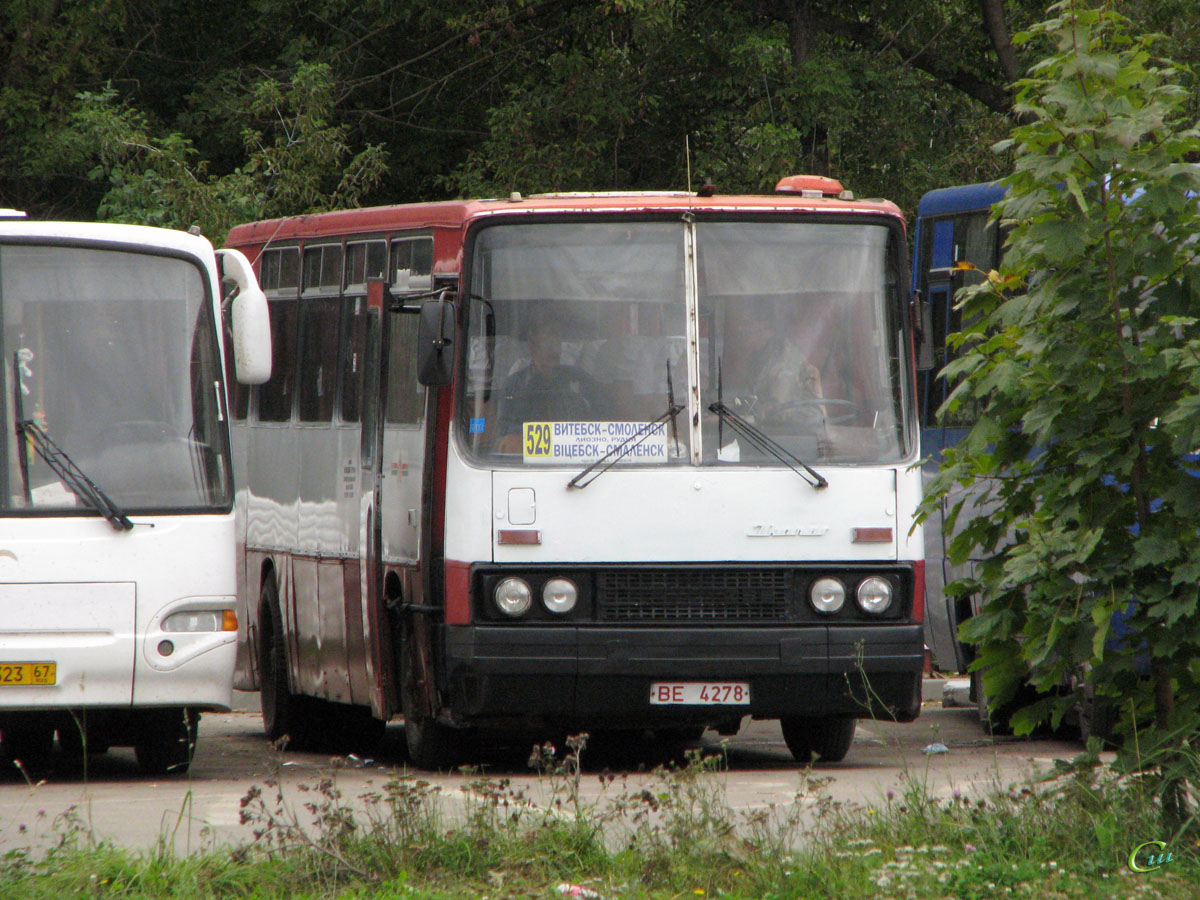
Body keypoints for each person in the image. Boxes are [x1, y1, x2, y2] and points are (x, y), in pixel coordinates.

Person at [494, 317, 604, 453]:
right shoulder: (513, 385)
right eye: (547, 341)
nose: (554, 347)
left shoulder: (580, 379)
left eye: (557, 339)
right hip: (524, 464)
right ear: (532, 346)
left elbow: (601, 423)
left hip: (576, 459)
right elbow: (502, 433)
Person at [723, 310, 823, 427]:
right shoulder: (758, 358)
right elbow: (748, 399)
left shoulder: (784, 361)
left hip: (791, 437)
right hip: (771, 434)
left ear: (764, 326)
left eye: (746, 324)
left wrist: (726, 418)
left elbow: (776, 411)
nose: (740, 330)